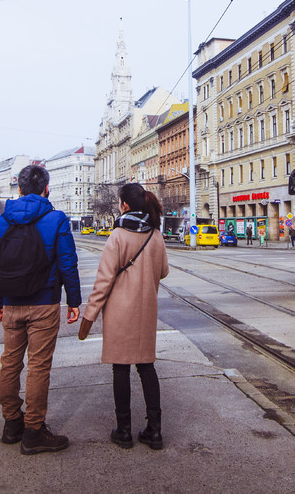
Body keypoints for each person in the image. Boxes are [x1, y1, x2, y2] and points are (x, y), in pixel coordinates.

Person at [0, 164, 81, 455]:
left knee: (10, 363)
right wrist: (74, 301)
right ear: (46, 188)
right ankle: (34, 431)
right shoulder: (56, 218)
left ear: (19, 188)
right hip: (44, 304)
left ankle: (12, 423)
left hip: (11, 303)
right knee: (39, 366)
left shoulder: (1, 221)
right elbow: (67, 263)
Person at [80, 183, 169, 451]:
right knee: (146, 366)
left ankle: (124, 431)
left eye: (119, 202)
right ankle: (154, 431)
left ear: (125, 206)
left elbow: (103, 281)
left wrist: (89, 316)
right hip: (146, 311)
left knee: (120, 367)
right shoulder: (155, 234)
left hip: (120, 311)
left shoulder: (117, 235)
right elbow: (163, 271)